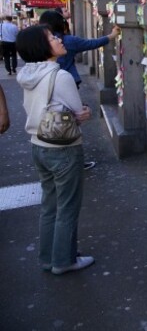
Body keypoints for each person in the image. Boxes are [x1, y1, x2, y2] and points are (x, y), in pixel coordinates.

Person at [16, 25, 94, 275]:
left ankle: (48, 257)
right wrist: (85, 112)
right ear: (43, 47)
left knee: (49, 205)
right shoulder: (60, 76)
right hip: (63, 148)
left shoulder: (27, 73)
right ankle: (64, 260)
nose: (58, 39)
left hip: (38, 145)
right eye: (51, 37)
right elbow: (78, 113)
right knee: (68, 206)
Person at [39, 10, 120, 170]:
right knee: (70, 121)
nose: (57, 40)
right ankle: (71, 161)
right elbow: (90, 44)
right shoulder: (66, 42)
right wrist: (111, 36)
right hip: (65, 85)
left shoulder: (40, 44)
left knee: (54, 120)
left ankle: (57, 158)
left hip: (46, 87)